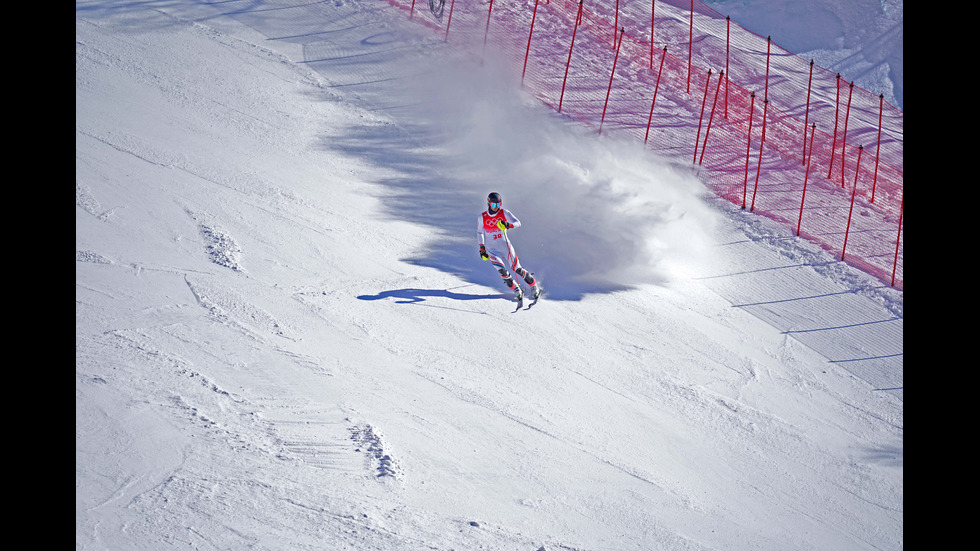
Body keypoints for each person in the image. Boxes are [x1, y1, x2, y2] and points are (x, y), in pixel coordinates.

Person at [478, 192, 540, 301]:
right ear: (489, 203)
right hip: (492, 250)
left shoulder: (504, 213)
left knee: (517, 269)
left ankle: (533, 285)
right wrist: (482, 248)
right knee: (502, 271)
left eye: (499, 205)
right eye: (494, 205)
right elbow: (480, 233)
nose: (496, 208)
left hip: (505, 246)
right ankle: (516, 289)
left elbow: (518, 223)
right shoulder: (482, 217)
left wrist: (508, 225)